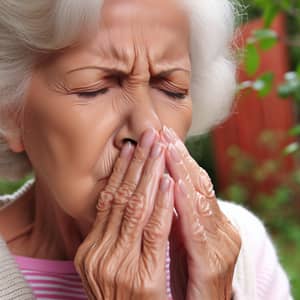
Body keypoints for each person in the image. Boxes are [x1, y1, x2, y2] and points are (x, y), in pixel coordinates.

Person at [0, 0, 293, 299]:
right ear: (10, 110)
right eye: (94, 88)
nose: (147, 127)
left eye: (171, 88)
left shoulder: (240, 253)